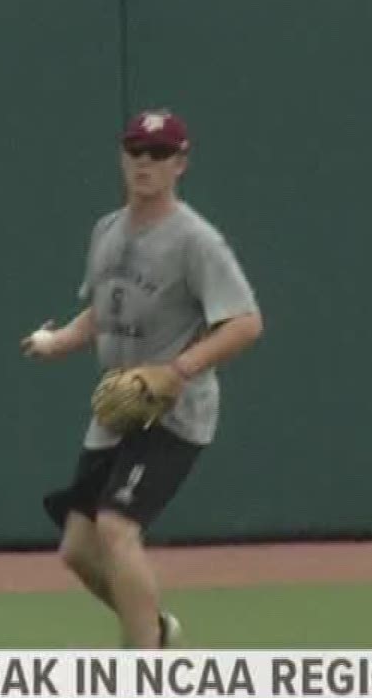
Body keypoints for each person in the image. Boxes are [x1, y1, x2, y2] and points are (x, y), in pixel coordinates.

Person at [19, 109, 264, 648]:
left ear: (181, 163)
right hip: (118, 409)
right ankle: (155, 629)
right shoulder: (106, 230)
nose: (144, 163)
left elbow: (245, 323)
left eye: (158, 154)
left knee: (116, 529)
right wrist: (58, 342)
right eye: (135, 151)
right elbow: (104, 310)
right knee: (78, 551)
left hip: (174, 412)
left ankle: (144, 676)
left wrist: (178, 371)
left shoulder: (196, 240)